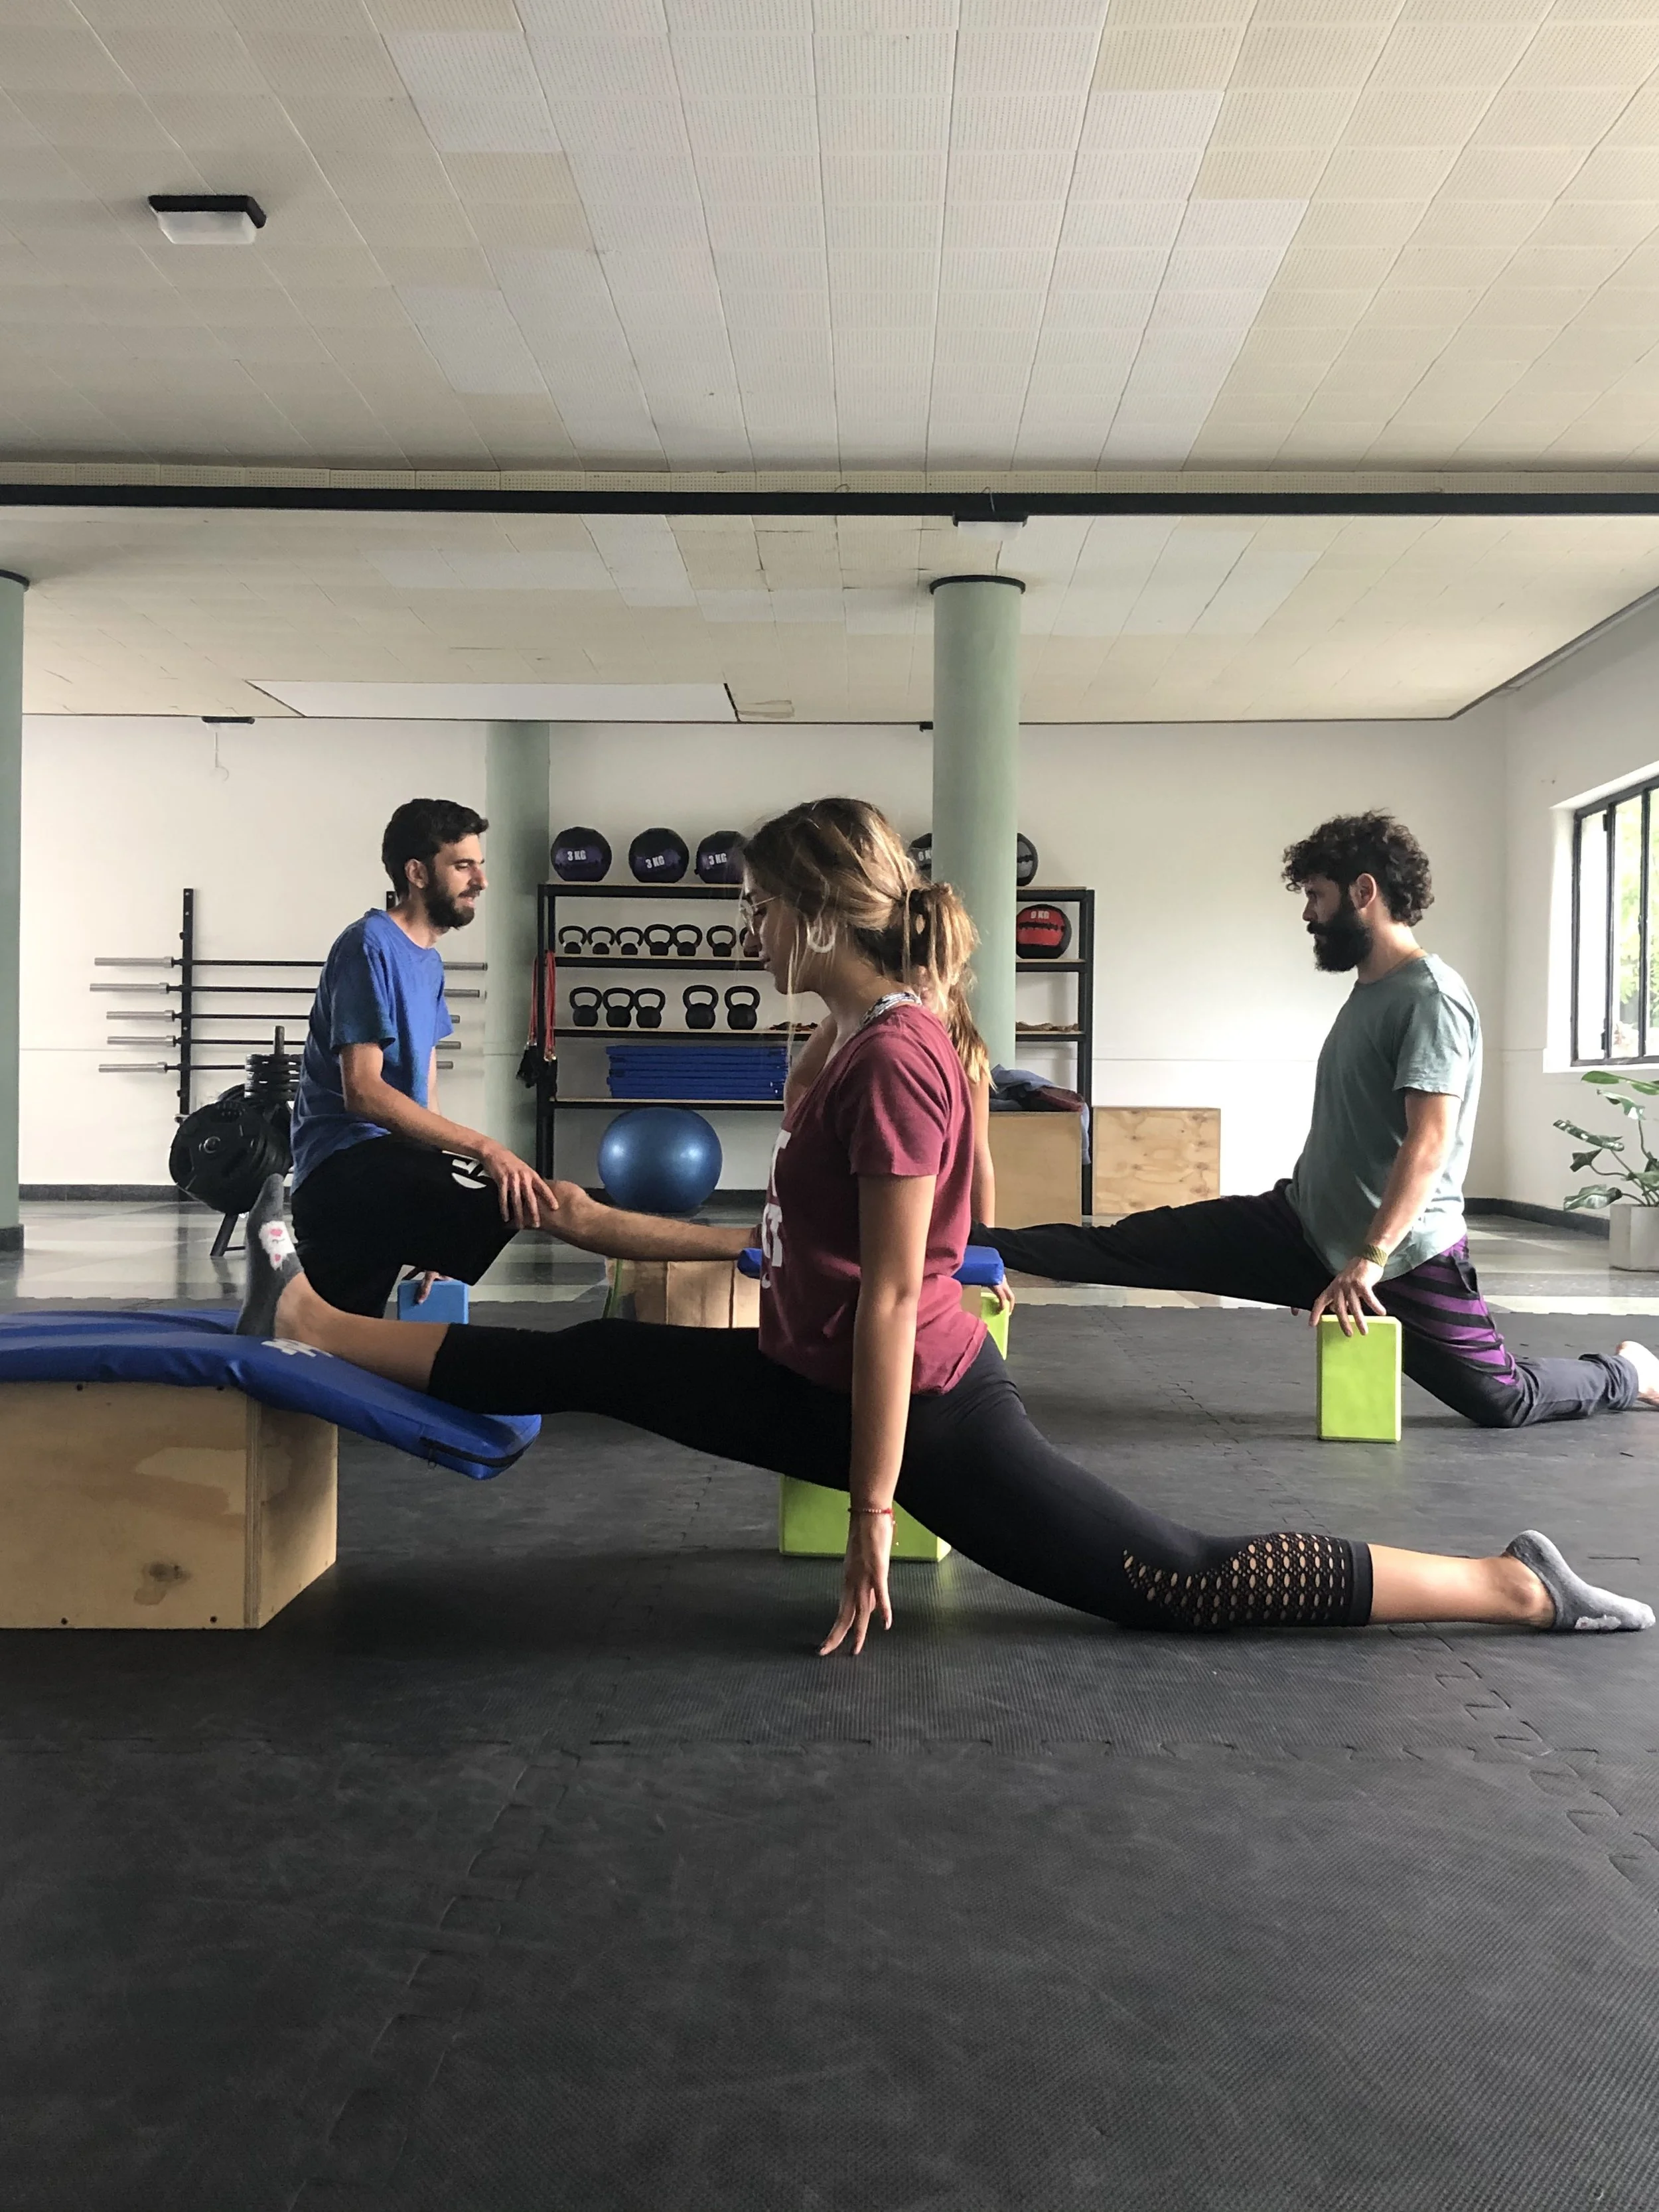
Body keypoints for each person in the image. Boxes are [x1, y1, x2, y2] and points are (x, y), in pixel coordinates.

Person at [238, 797, 1652, 1655]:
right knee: (587, 1357)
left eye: (751, 911)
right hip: (806, 1369)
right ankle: (318, 1319)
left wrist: (870, 1516)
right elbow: (787, 1258)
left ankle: (1509, 1584)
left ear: (807, 912)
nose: (742, 935)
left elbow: (893, 1293)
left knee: (1170, 1582)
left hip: (916, 1402)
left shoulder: (898, 1057)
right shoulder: (831, 1045)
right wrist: (599, 1220)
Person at [977, 811, 1659, 1430]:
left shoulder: (1431, 998)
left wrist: (1368, 1258)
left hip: (1398, 1259)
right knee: (1123, 1246)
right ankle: (960, 1243)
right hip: (1301, 1227)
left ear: (1364, 891)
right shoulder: (1369, 992)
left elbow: (1429, 1141)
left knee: (1499, 1399)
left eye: (1316, 895)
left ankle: (1630, 1371)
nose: (1308, 913)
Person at [287, 796, 557, 1317]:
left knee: (335, 1330)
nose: (481, 880)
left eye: (480, 864)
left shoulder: (429, 963)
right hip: (343, 1171)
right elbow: (363, 1092)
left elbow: (423, 1095)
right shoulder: (369, 945)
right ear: (416, 872)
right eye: (463, 866)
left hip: (389, 1168)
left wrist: (439, 1229)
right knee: (522, 1196)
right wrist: (486, 1148)